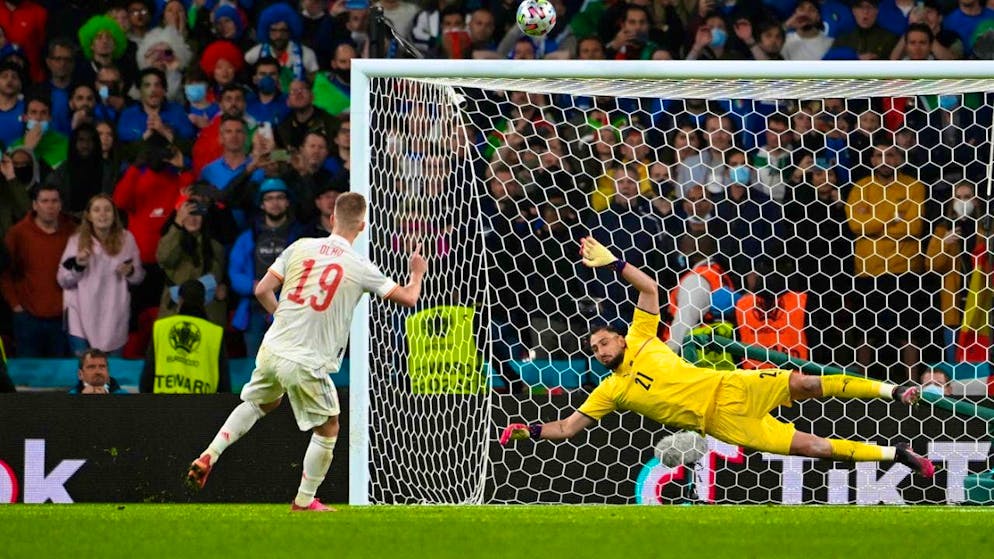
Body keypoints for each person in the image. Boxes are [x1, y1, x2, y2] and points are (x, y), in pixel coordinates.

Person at [500, 237, 935, 479]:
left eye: (603, 343)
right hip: (724, 424)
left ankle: (894, 390)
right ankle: (895, 453)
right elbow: (567, 428)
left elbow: (649, 290)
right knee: (815, 447)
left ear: (619, 338)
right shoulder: (611, 390)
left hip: (731, 385)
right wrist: (529, 430)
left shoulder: (644, 337)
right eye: (594, 350)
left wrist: (615, 263)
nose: (600, 351)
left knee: (805, 383)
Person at [185, 192, 428, 511]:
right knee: (328, 426)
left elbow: (261, 290)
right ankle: (304, 500)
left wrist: (282, 316)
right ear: (363, 226)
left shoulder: (299, 246)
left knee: (260, 403)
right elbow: (409, 299)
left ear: (331, 220)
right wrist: (417, 272)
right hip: (306, 359)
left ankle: (210, 454)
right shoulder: (359, 265)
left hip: (273, 346)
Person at [57, 194, 144, 356]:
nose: (102, 214)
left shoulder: (127, 239)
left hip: (114, 318)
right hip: (80, 320)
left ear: (114, 214)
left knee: (111, 375)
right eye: (97, 210)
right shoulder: (76, 241)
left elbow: (139, 277)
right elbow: (63, 280)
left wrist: (130, 272)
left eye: (107, 210)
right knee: (85, 374)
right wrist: (78, 266)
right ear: (89, 216)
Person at [140, 279, 230, 394]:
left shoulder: (161, 327)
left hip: (163, 405)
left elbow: (148, 375)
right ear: (204, 301)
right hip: (202, 407)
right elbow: (224, 383)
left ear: (180, 300)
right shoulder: (215, 332)